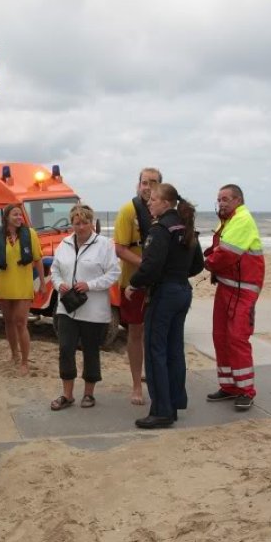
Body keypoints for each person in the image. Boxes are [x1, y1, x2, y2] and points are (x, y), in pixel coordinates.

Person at [129, 184, 203, 428]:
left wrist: (134, 284)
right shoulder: (185, 226)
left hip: (164, 294)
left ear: (165, 202)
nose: (149, 203)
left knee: (155, 351)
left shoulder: (160, 229)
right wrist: (178, 272)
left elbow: (150, 266)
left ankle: (161, 410)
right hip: (182, 290)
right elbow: (197, 265)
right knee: (174, 349)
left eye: (153, 199)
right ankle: (174, 401)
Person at [49, 204, 121, 410]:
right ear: (71, 223)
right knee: (65, 349)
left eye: (85, 222)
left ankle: (88, 394)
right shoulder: (64, 244)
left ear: (92, 223)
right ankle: (67, 395)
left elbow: (113, 274)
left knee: (90, 351)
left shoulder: (105, 245)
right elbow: (55, 270)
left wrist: (89, 285)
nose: (80, 227)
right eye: (76, 223)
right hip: (67, 307)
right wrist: (58, 284)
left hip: (93, 309)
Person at [203, 184, 264, 412]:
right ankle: (229, 386)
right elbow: (218, 249)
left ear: (238, 200)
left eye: (226, 198)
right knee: (220, 336)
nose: (221, 202)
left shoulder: (242, 219)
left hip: (244, 289)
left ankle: (246, 390)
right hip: (227, 287)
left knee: (237, 337)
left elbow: (225, 255)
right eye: (219, 199)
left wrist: (206, 263)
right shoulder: (227, 220)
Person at [114, 167, 162, 405]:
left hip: (159, 283)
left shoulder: (165, 211)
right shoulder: (127, 211)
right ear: (138, 184)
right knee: (135, 332)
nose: (148, 187)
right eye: (144, 182)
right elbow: (120, 249)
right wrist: (146, 265)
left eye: (153, 183)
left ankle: (153, 376)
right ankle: (136, 385)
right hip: (133, 282)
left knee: (155, 333)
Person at [0, 203, 44, 376]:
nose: (19, 217)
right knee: (9, 321)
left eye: (20, 215)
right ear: (6, 218)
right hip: (4, 285)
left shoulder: (30, 234)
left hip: (23, 285)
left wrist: (42, 283)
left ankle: (25, 361)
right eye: (15, 215)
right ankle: (14, 354)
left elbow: (38, 260)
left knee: (21, 322)